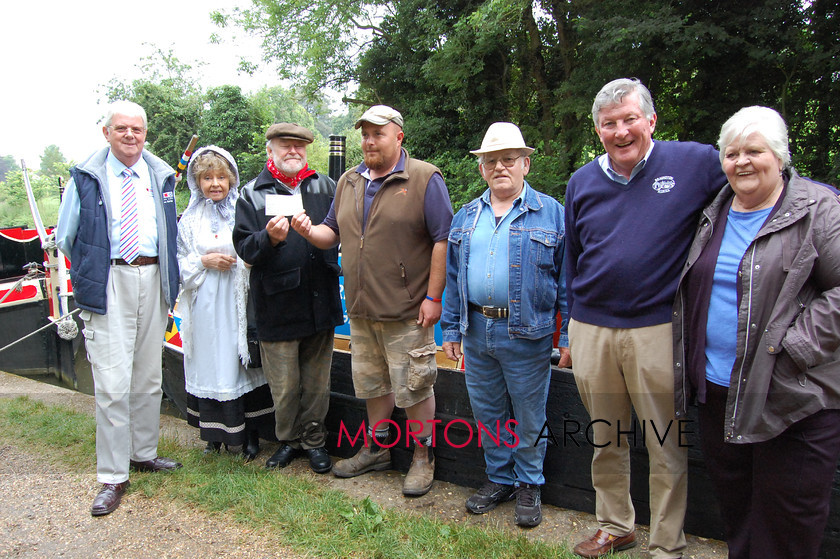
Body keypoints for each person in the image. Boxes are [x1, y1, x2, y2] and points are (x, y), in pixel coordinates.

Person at [564, 79, 726, 558]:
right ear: (598, 131)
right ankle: (616, 526)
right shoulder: (581, 181)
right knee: (606, 436)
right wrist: (570, 324)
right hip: (591, 327)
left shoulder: (694, 163)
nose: (620, 131)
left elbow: (755, 176)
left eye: (629, 119)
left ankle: (666, 543)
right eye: (609, 124)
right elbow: (572, 257)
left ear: (651, 120)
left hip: (657, 328)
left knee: (665, 441)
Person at [672, 106, 840, 559]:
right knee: (738, 509)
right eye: (732, 153)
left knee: (787, 519)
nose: (742, 161)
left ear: (780, 156)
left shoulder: (819, 208)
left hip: (791, 396)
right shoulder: (716, 211)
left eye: (754, 151)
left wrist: (794, 346)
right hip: (719, 392)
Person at [291, 105, 453, 496]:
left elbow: (442, 239)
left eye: (377, 133)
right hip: (362, 310)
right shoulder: (348, 181)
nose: (368, 141)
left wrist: (434, 296)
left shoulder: (424, 178)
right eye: (364, 133)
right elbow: (332, 233)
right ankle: (376, 450)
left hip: (407, 310)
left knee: (414, 387)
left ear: (399, 136)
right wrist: (307, 230)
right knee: (372, 385)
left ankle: (421, 457)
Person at [55, 100, 182, 517]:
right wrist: (98, 270)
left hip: (154, 280)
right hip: (109, 281)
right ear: (106, 132)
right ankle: (112, 476)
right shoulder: (86, 177)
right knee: (111, 383)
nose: (130, 136)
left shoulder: (160, 175)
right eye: (122, 129)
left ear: (146, 134)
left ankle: (143, 453)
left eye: (138, 130)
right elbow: (67, 237)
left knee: (147, 376)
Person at [440, 122, 570, 527]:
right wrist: (450, 329)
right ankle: (500, 478)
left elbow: (568, 281)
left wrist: (565, 336)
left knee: (530, 414)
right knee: (488, 411)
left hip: (528, 333)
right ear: (481, 169)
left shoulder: (552, 213)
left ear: (525, 164)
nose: (500, 167)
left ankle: (529, 483)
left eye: (508, 159)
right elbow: (453, 278)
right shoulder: (465, 215)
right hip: (477, 330)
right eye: (491, 161)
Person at [233, 123, 343, 474]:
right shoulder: (252, 193)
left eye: (300, 146)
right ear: (271, 150)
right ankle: (288, 440)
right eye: (286, 145)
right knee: (284, 385)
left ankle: (313, 441)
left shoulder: (325, 186)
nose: (293, 151)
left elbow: (343, 232)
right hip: (277, 305)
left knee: (316, 382)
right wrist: (269, 238)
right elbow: (244, 250)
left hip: (319, 299)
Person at [177, 145, 275, 460]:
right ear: (198, 181)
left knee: (239, 363)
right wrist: (203, 261)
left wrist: (239, 261)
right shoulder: (190, 218)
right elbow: (179, 259)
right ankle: (214, 436)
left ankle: (250, 437)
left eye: (221, 176)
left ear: (231, 179)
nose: (215, 183)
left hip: (237, 300)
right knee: (209, 364)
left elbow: (256, 247)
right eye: (208, 178)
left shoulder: (242, 211)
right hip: (205, 301)